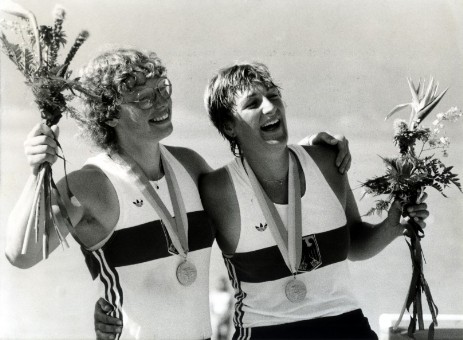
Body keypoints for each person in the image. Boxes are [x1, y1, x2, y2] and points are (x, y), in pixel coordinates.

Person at [5, 48, 351, 340]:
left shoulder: (190, 165)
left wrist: (308, 151)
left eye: (162, 89)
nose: (162, 103)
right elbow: (22, 254)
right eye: (143, 98)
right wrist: (38, 173)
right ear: (108, 115)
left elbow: (258, 187)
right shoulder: (89, 185)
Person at [196, 62, 429, 339]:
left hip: (345, 327)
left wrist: (392, 226)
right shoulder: (218, 190)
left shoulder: (326, 162)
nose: (271, 108)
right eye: (253, 103)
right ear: (228, 126)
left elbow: (354, 244)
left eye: (273, 96)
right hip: (266, 331)